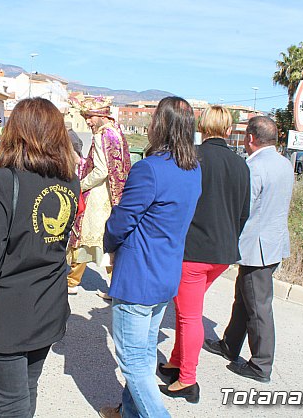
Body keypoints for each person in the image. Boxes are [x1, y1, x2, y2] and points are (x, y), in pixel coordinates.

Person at [0, 98, 80, 417]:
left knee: (12, 404)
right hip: (49, 303)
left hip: (9, 311)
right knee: (26, 389)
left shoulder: (4, 181)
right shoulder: (70, 181)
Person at [100, 97, 201, 418]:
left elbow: (121, 221)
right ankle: (128, 413)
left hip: (138, 277)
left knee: (133, 364)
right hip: (165, 274)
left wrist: (108, 244)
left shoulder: (149, 169)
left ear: (161, 125)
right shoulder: (193, 169)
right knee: (142, 355)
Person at [159, 106, 250, 402]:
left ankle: (187, 380)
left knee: (188, 315)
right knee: (188, 309)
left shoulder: (193, 158)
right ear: (228, 129)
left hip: (194, 249)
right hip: (223, 252)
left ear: (202, 126)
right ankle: (176, 361)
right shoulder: (241, 165)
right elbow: (244, 213)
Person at [203, 116, 294, 383]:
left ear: (250, 138)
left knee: (258, 307)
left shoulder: (255, 167)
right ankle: (230, 344)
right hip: (272, 243)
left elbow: (245, 207)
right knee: (244, 299)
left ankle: (261, 364)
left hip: (257, 246)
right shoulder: (283, 163)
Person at [66, 94, 131, 297]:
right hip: (113, 195)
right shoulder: (116, 132)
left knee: (84, 235)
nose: (87, 120)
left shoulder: (102, 134)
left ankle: (72, 281)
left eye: (89, 116)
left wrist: (82, 185)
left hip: (98, 195)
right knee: (107, 239)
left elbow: (101, 170)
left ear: (100, 115)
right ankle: (115, 286)